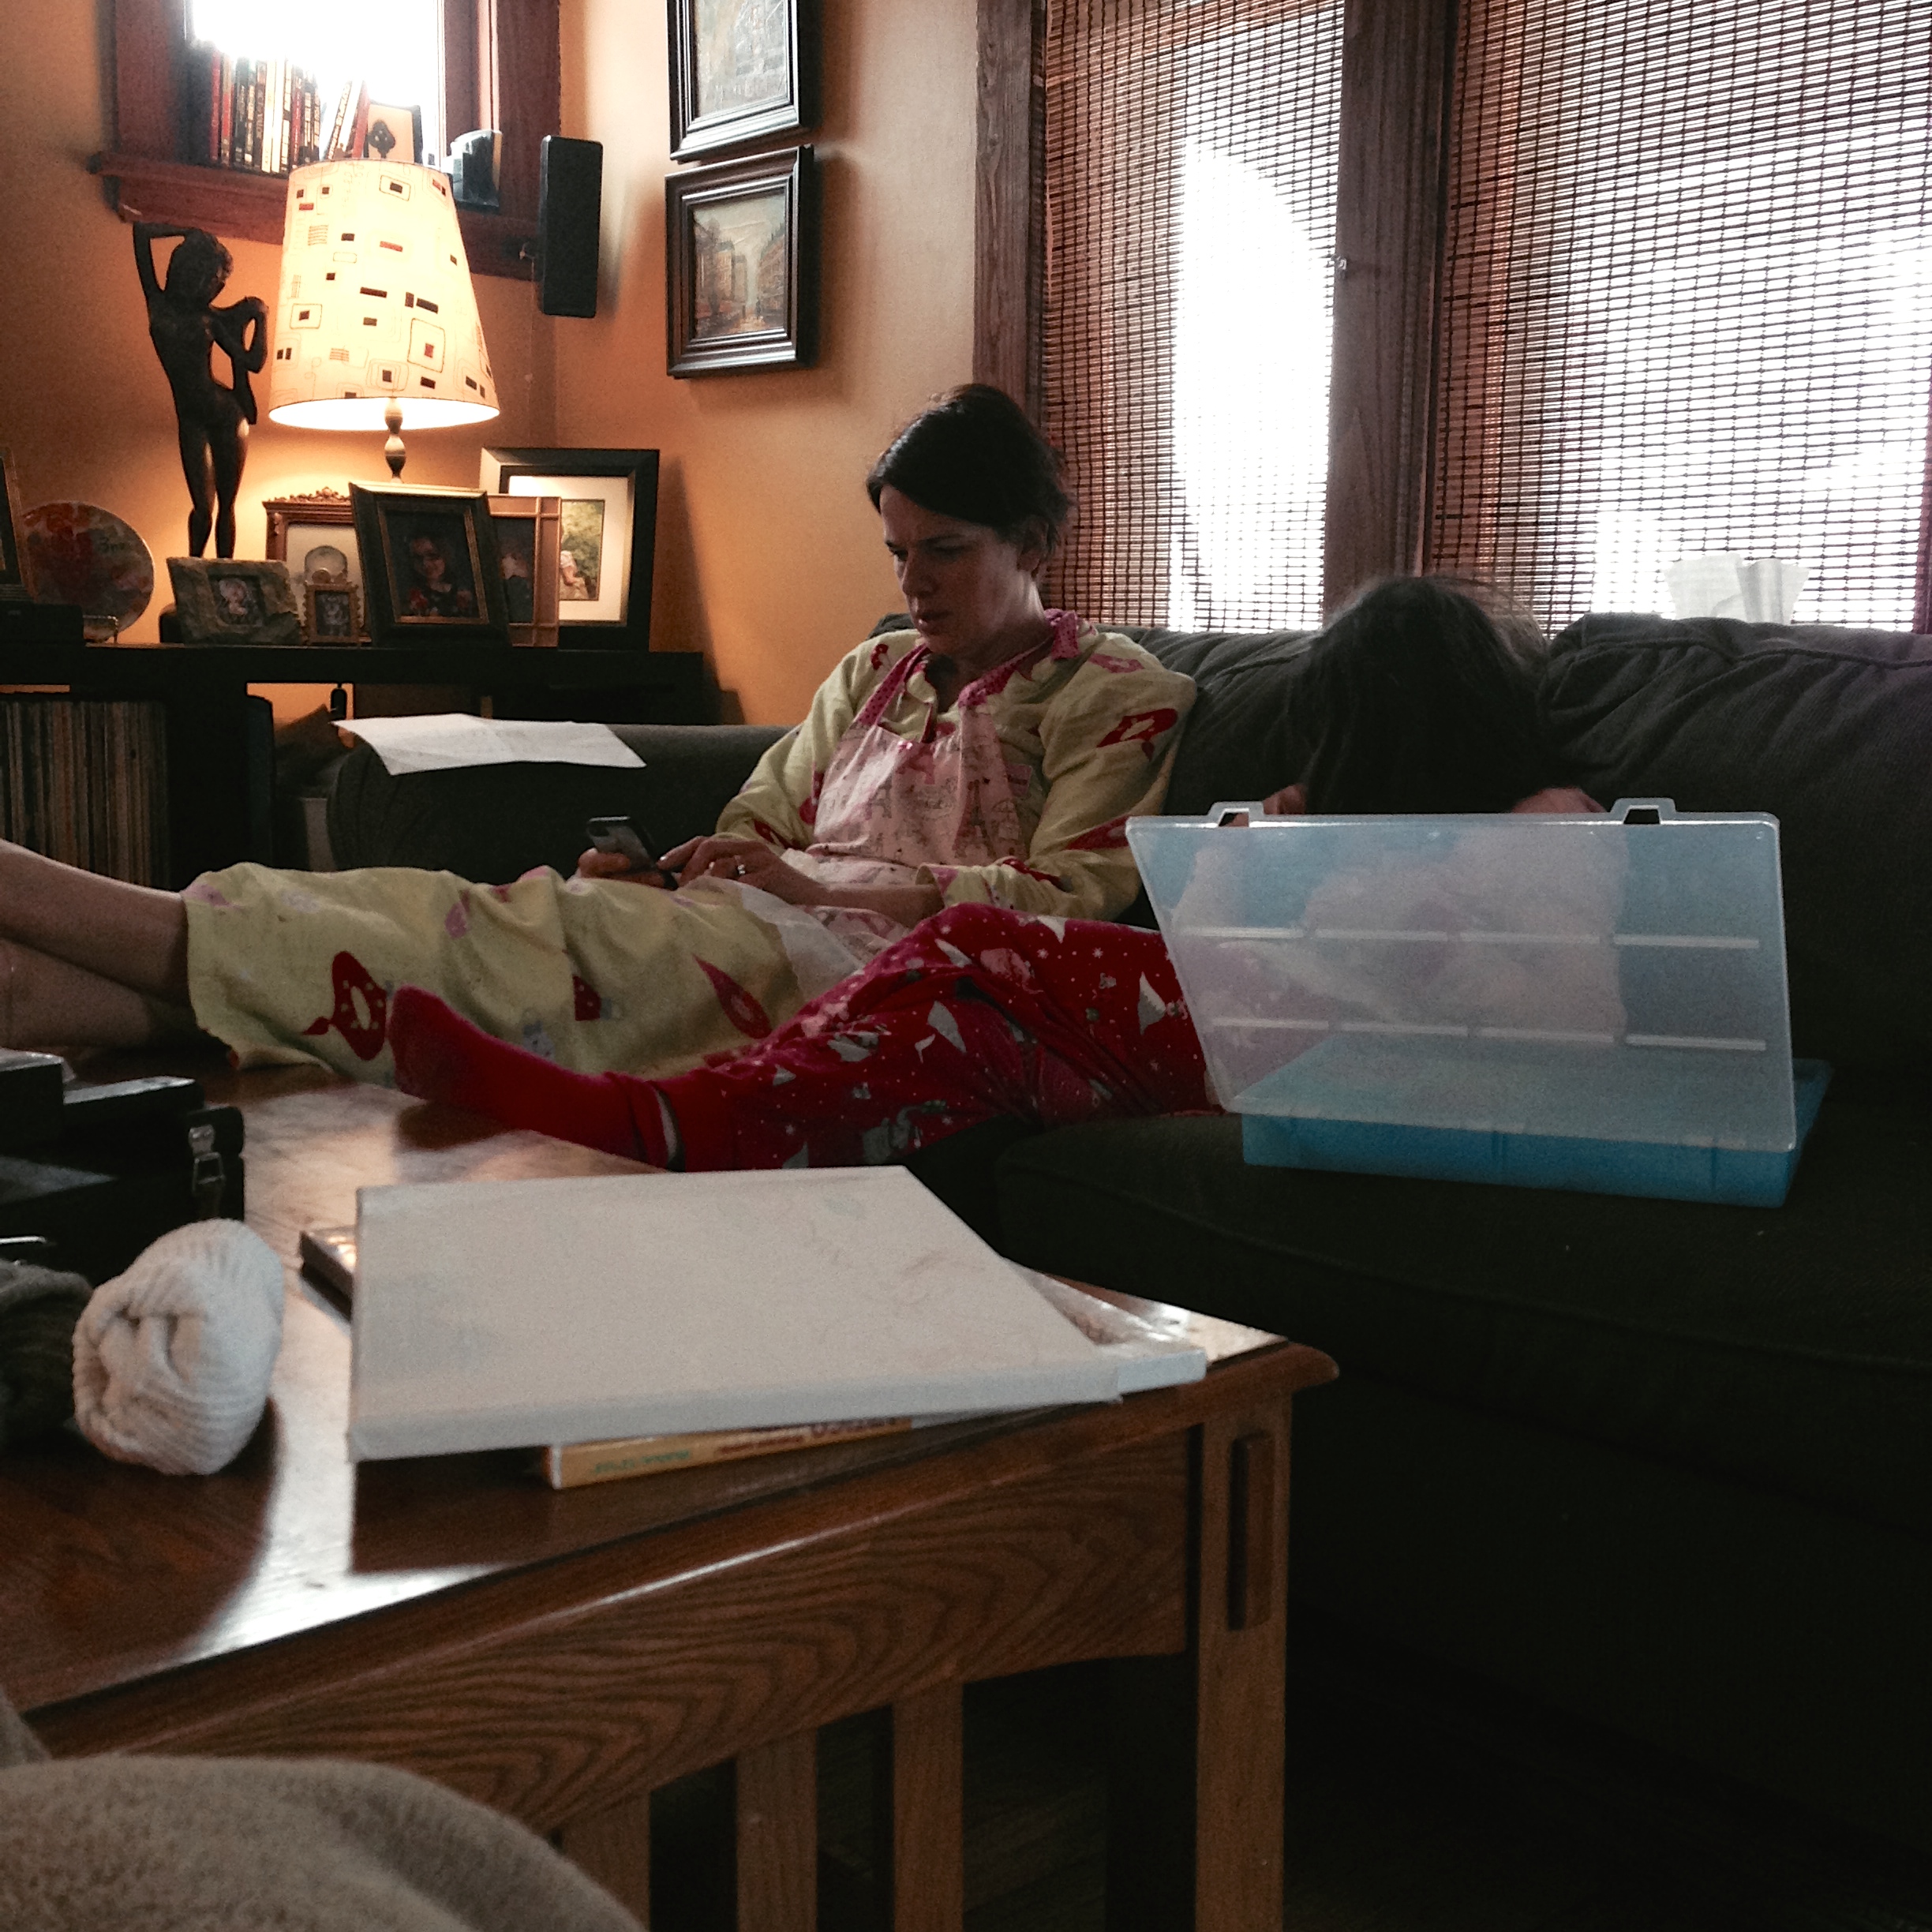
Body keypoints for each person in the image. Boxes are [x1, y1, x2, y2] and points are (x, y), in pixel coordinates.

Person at [0, 387, 1196, 1081]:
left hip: (883, 983)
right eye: (898, 552)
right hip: (748, 930)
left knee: (491, 952)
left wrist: (818, 883)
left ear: (1033, 542)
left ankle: (32, 891)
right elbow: (758, 820)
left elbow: (1068, 904)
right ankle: (37, 985)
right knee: (491, 921)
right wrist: (693, 865)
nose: (914, 582)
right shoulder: (877, 669)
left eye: (946, 551)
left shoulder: (1116, 693)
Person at [386, 573, 1607, 1171]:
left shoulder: (1548, 828)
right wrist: (1258, 850)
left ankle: (663, 1115)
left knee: (976, 951)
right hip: (1238, 1039)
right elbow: (1201, 937)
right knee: (959, 1013)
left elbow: (1564, 1017)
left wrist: (1357, 890)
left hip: (1335, 1075)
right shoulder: (1316, 821)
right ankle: (681, 1113)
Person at [133, 224, 267, 560]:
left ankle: (225, 576)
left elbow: (252, 362)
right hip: (192, 419)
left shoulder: (210, 319)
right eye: (196, 275)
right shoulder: (157, 303)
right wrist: (188, 229)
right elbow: (141, 234)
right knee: (203, 509)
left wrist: (262, 320)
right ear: (178, 269)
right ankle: (192, 574)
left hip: (227, 415)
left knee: (228, 506)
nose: (205, 287)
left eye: (213, 282)